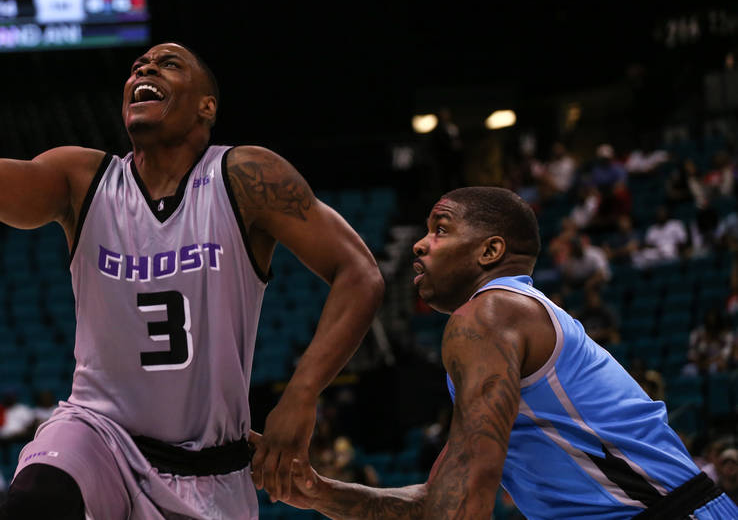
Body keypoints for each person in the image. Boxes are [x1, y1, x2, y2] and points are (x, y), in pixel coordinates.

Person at [0, 0, 384, 520]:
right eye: (138, 66)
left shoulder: (245, 176)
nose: (145, 69)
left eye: (167, 64)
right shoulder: (82, 179)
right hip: (98, 435)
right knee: (36, 500)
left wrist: (300, 396)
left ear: (207, 106)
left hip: (212, 470)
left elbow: (359, 272)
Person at [266, 186, 738, 518]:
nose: (420, 243)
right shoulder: (505, 328)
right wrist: (319, 493)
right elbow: (440, 503)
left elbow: (467, 500)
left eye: (441, 229)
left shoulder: (488, 316)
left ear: (490, 250)